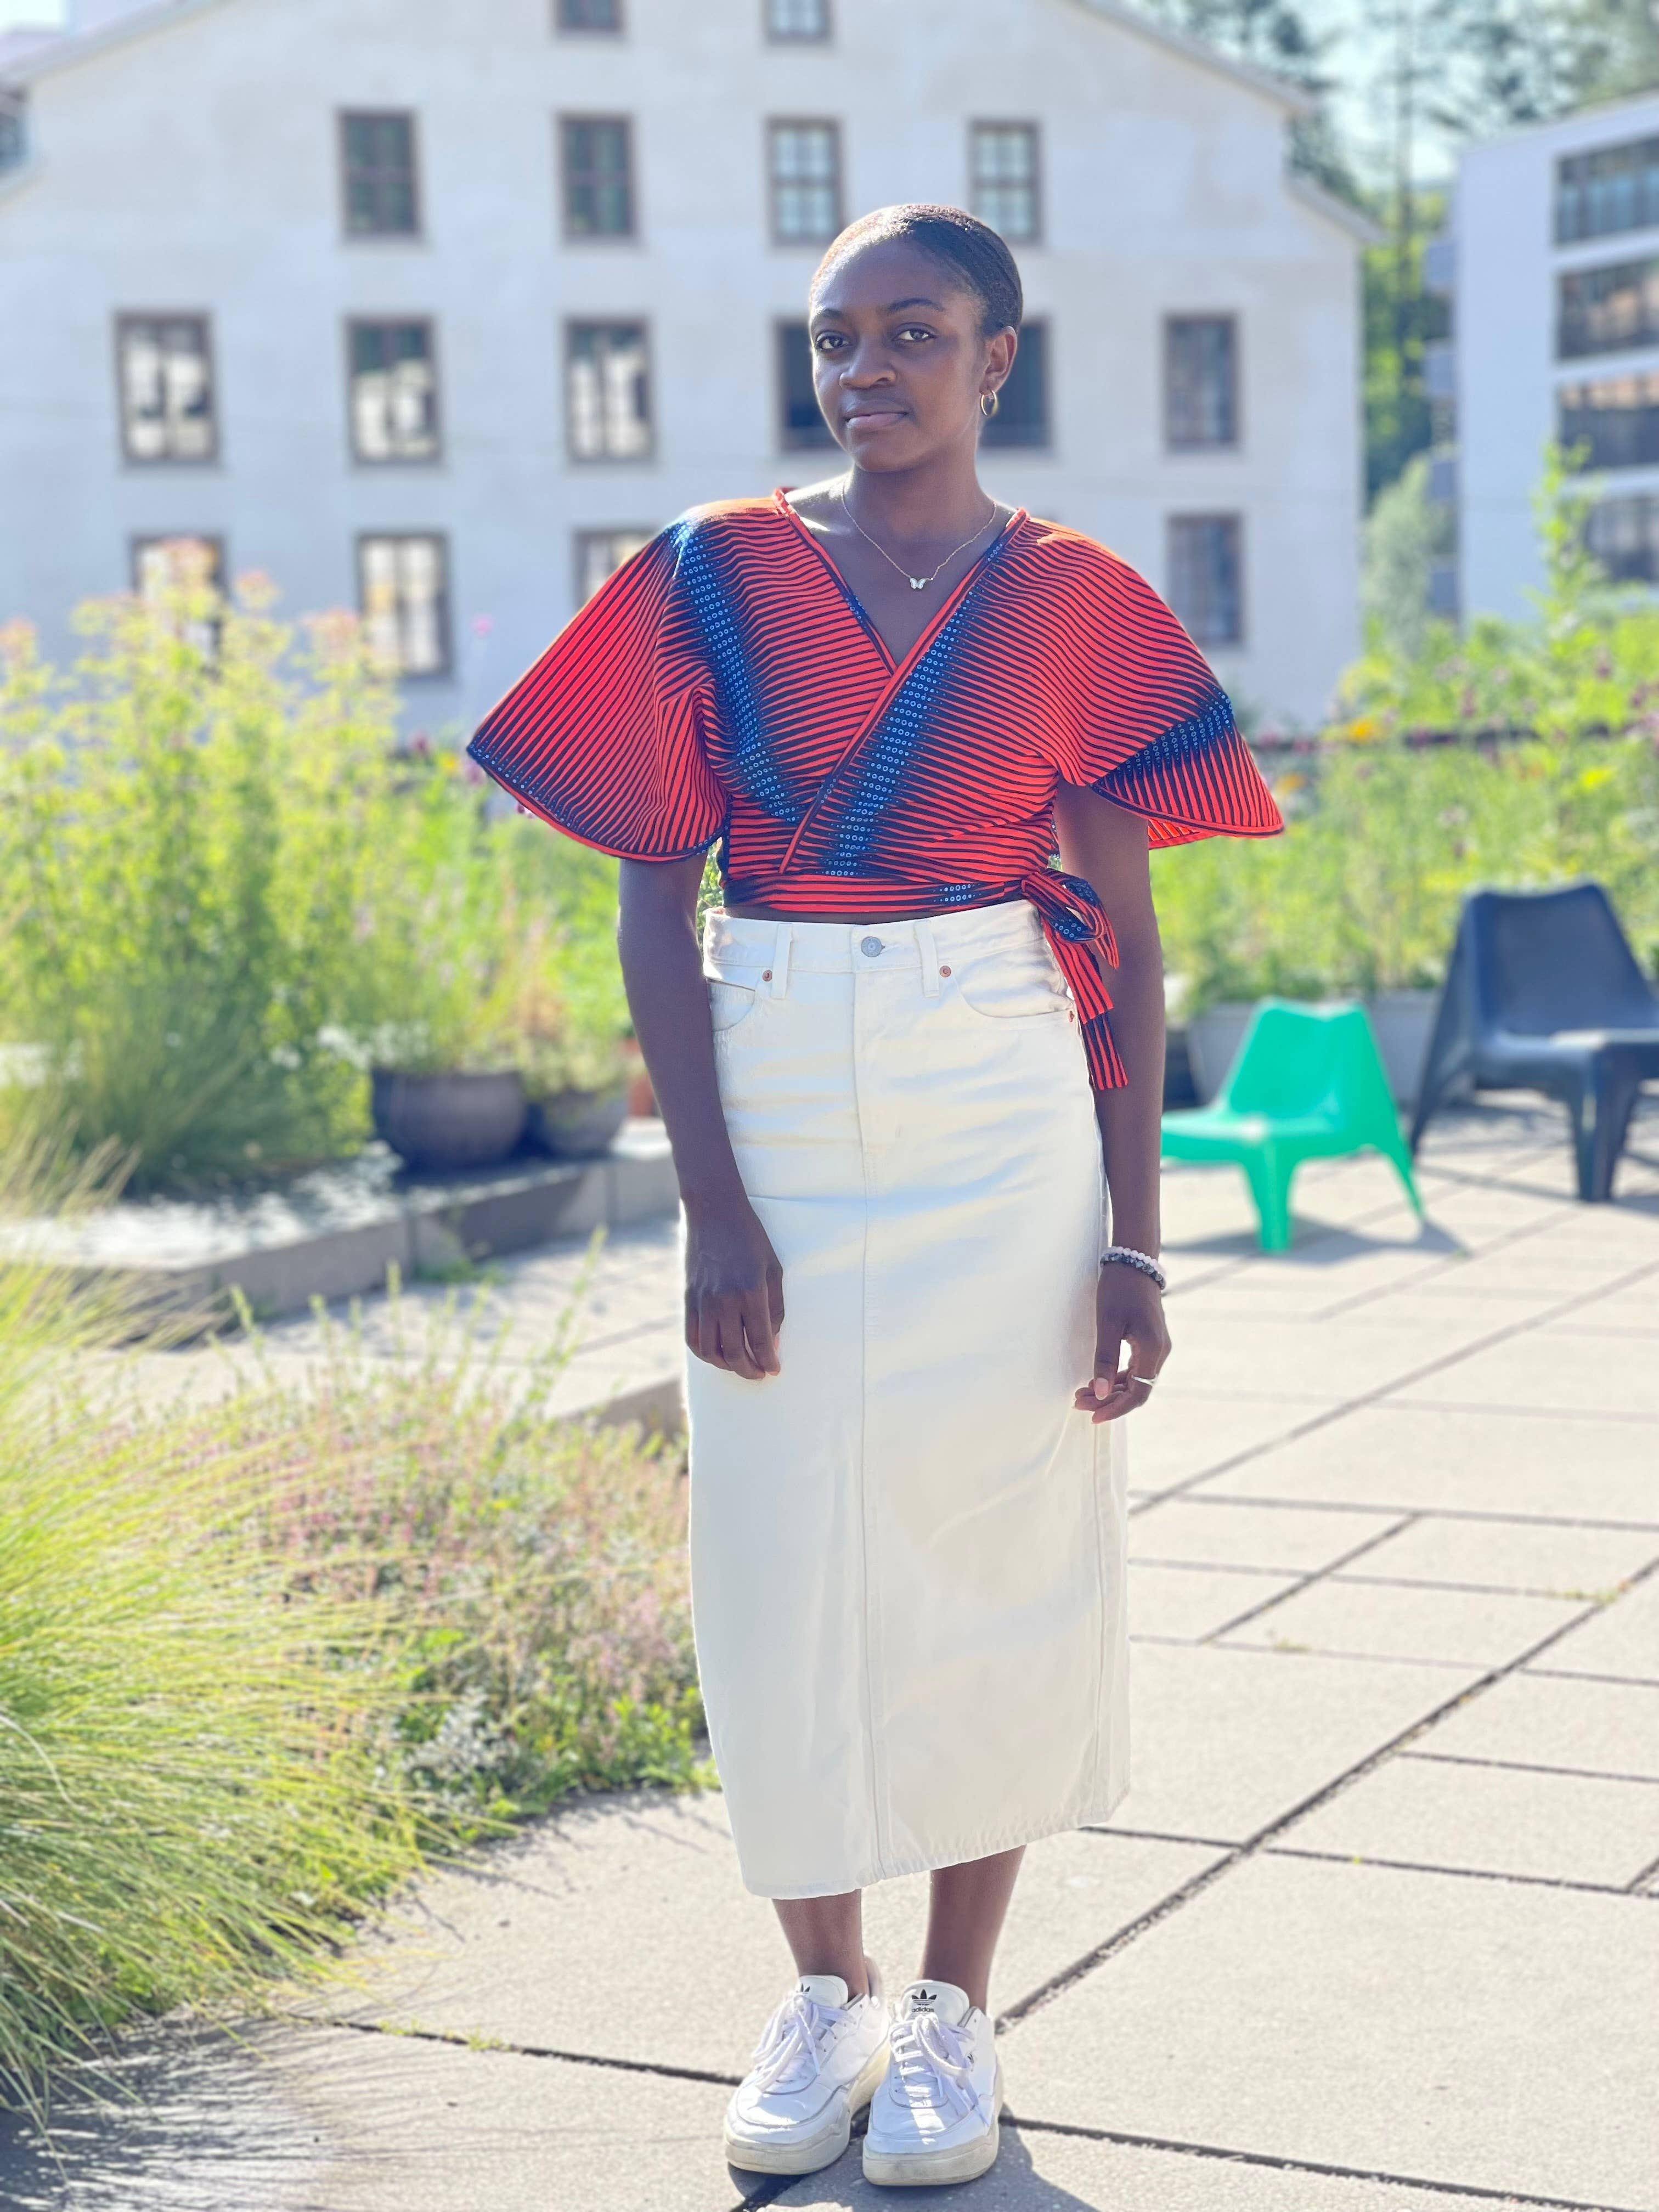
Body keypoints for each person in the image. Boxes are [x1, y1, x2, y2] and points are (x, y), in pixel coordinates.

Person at [467, 203, 1280, 2191]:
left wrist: (1136, 1237)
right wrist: (712, 1207)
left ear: (998, 359)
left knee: (994, 1538)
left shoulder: (1078, 601)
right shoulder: (713, 571)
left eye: (912, 333)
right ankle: (820, 1991)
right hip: (774, 1068)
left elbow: (1127, 943)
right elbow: (655, 908)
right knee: (778, 1551)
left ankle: (952, 2013)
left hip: (998, 1080)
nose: (865, 371)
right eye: (836, 337)